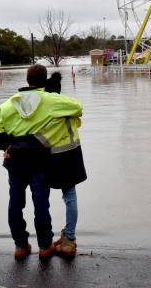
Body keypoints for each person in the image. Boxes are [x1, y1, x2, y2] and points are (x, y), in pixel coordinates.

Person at [0, 65, 83, 260]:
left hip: (15, 161)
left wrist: (7, 147)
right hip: (39, 160)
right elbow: (77, 108)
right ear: (44, 80)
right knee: (41, 204)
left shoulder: (8, 104)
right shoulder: (51, 100)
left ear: (27, 80)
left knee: (15, 203)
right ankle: (44, 246)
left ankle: (20, 246)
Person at [43, 71, 87, 258]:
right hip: (73, 155)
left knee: (42, 197)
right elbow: (78, 122)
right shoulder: (69, 107)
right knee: (70, 197)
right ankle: (69, 236)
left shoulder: (47, 109)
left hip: (55, 156)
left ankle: (51, 239)